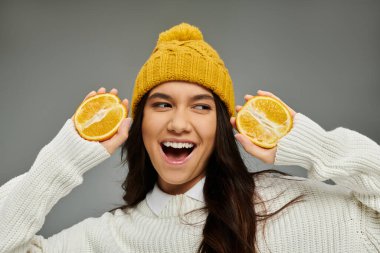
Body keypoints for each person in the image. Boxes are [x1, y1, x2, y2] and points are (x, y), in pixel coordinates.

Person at [0, 23, 379, 253]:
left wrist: (316, 146)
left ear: (222, 127)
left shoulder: (288, 207)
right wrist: (62, 160)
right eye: (162, 105)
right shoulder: (108, 239)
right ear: (139, 125)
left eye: (200, 107)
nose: (180, 124)